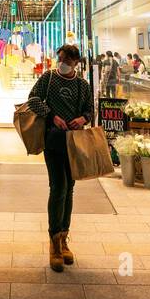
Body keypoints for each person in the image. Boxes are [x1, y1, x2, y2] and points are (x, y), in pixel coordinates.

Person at [27, 44, 93, 272]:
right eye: (60, 58)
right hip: (53, 140)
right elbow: (33, 99)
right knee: (58, 187)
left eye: (66, 60)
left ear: (76, 62)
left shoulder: (83, 85)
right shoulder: (48, 78)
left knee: (70, 188)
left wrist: (82, 120)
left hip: (74, 142)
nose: (62, 62)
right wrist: (52, 116)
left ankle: (64, 237)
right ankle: (54, 240)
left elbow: (89, 110)